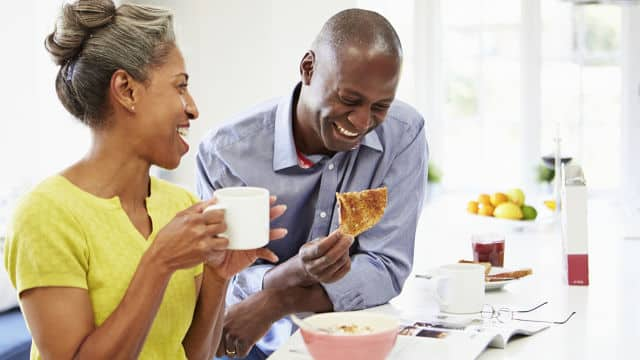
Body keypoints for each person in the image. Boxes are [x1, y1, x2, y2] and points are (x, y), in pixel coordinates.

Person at [2, 1, 287, 359]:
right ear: (127, 90)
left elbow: (195, 354)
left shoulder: (180, 206)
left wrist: (218, 275)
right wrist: (159, 263)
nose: (193, 107)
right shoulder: (45, 216)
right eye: (180, 87)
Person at [196, 8, 428, 360]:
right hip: (246, 340)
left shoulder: (404, 134)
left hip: (349, 336)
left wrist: (279, 298)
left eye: (380, 106)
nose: (363, 121)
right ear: (308, 69)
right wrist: (290, 274)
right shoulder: (226, 152)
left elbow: (386, 267)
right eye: (349, 100)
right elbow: (222, 272)